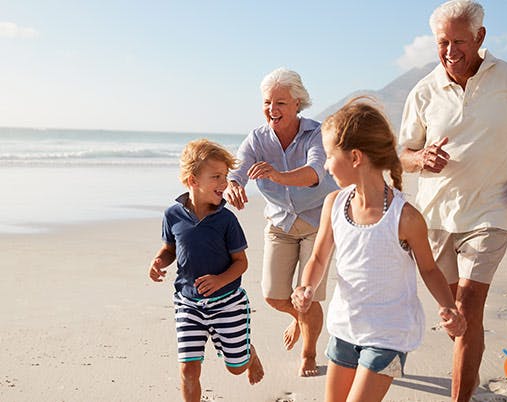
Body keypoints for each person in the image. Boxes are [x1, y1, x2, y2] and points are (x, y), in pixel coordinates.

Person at [398, 1, 507, 401]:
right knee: (458, 317)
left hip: (492, 209)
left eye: (459, 42)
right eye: (443, 43)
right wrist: (419, 159)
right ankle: (468, 382)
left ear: (480, 37)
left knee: (467, 308)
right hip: (435, 216)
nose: (450, 51)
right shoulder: (423, 91)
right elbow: (400, 154)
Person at [291, 97, 467, 402]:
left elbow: (429, 269)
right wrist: (306, 287)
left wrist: (449, 307)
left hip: (389, 335)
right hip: (345, 328)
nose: (325, 164)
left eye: (330, 155)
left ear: (356, 156)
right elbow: (319, 256)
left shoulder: (406, 218)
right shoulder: (334, 204)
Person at [225, 67, 338, 376]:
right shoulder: (257, 138)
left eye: (281, 103)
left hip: (318, 222)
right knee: (274, 295)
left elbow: (316, 171)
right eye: (267, 103)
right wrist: (234, 185)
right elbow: (236, 170)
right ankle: (299, 317)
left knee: (306, 294)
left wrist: (277, 175)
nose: (272, 110)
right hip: (280, 224)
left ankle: (309, 354)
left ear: (297, 103)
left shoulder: (316, 133)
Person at [148, 139, 264, 402]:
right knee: (189, 369)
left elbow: (241, 263)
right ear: (192, 180)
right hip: (188, 303)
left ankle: (249, 353)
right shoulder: (172, 215)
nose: (224, 183)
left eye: (225, 176)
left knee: (236, 368)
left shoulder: (226, 219)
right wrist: (158, 261)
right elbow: (170, 250)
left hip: (227, 304)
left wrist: (220, 280)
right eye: (216, 177)